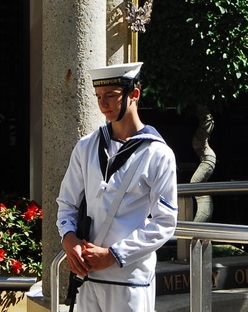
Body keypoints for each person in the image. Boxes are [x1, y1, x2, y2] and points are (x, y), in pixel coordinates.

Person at [56, 62, 178, 312]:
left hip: (130, 280)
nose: (103, 104)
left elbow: (165, 222)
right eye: (99, 96)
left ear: (134, 94)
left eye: (111, 95)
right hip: (87, 277)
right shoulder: (86, 146)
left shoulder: (159, 154)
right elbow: (67, 203)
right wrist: (69, 239)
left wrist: (113, 255)